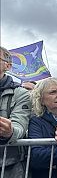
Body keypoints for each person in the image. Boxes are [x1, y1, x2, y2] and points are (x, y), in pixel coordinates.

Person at [0, 47, 31, 178]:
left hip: (7, 165)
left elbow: (19, 126)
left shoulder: (20, 93)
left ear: (8, 66)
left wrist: (9, 131)